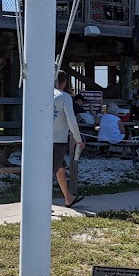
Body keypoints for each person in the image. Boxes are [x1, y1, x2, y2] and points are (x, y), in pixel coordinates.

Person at [53, 71, 85, 208]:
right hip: (57, 140)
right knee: (49, 171)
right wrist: (78, 139)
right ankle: (41, 203)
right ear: (64, 82)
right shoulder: (64, 97)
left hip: (39, 139)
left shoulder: (42, 94)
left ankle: (68, 197)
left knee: (59, 167)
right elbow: (71, 120)